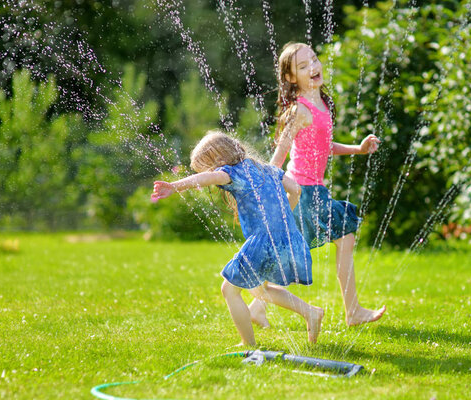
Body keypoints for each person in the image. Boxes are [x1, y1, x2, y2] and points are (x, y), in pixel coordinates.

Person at [249, 42, 386, 327]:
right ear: (290, 78)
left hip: (313, 191)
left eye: (314, 59)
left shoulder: (322, 104)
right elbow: (282, 148)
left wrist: (357, 149)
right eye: (302, 66)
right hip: (303, 192)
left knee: (287, 254)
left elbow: (323, 146)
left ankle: (257, 305)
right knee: (340, 238)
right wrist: (270, 181)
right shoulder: (300, 110)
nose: (313, 67)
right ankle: (353, 311)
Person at [151, 130, 323, 346]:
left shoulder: (231, 172)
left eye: (208, 166)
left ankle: (249, 345)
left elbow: (207, 179)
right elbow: (296, 189)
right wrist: (281, 218)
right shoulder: (267, 169)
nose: (212, 172)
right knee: (258, 289)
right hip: (289, 238)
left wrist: (175, 186)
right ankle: (310, 312)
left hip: (264, 241)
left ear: (218, 159)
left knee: (229, 290)